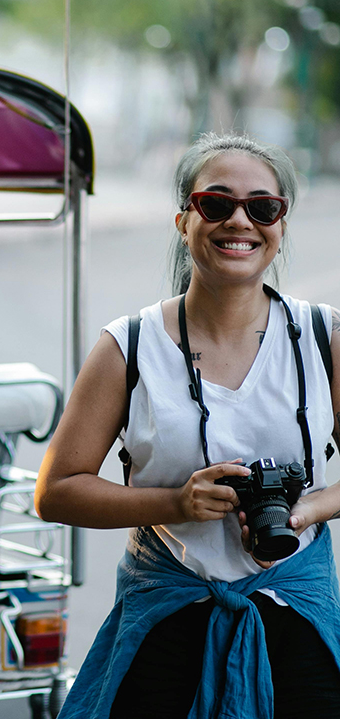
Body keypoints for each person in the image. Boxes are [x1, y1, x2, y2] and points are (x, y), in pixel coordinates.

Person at [36, 132, 340, 719]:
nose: (240, 222)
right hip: (167, 618)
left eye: (262, 207)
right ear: (184, 220)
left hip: (297, 616)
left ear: (281, 223)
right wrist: (178, 501)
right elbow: (56, 491)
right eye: (217, 204)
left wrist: (308, 510)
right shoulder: (127, 346)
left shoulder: (325, 339)